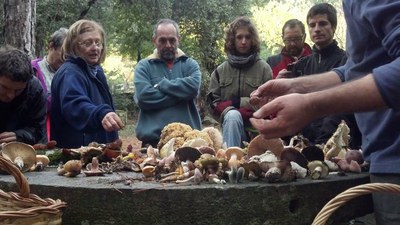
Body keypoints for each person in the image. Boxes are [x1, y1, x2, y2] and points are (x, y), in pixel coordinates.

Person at [250, 1, 400, 224]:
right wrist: (296, 86)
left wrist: (311, 105)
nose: (317, 29)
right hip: (380, 156)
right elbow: (359, 69)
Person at [278, 3, 361, 148]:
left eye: (323, 24)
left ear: (333, 27)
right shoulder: (300, 67)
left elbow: (344, 110)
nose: (317, 29)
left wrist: (321, 146)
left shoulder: (347, 61)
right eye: (312, 25)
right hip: (301, 144)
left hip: (336, 144)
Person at [51, 19, 124, 148]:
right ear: (73, 46)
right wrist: (101, 113)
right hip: (76, 156)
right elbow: (75, 105)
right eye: (87, 43)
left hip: (98, 153)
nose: (95, 48)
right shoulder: (70, 72)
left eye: (98, 42)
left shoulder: (96, 71)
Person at [134, 19, 202, 147]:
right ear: (154, 40)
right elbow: (143, 97)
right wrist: (182, 94)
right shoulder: (144, 66)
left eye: (172, 40)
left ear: (178, 39)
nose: (168, 45)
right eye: (162, 40)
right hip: (153, 143)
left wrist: (163, 85)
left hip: (189, 143)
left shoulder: (190, 64)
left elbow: (193, 87)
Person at [207, 16, 272, 147]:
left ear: (253, 40)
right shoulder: (220, 70)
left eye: (247, 37)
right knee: (232, 116)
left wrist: (242, 106)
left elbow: (269, 103)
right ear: (232, 39)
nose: (243, 41)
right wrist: (234, 109)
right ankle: (231, 162)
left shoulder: (264, 68)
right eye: (239, 37)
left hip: (257, 133)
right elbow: (212, 105)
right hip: (230, 129)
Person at [0, 46, 47, 145]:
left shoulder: (35, 90)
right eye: (5, 88)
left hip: (20, 152)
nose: (10, 95)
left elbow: (39, 131)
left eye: (18, 90)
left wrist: (19, 136)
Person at [32, 27, 68, 141]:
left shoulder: (71, 74)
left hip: (64, 132)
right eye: (63, 53)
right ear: (51, 46)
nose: (65, 59)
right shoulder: (32, 69)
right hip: (39, 132)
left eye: (69, 56)